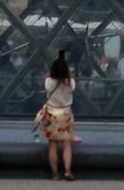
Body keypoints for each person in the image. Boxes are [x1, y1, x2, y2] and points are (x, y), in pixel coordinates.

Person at [39, 53, 75, 184]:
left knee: (52, 145)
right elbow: (72, 83)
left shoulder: (48, 82)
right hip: (65, 113)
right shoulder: (70, 82)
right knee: (66, 144)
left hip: (51, 114)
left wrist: (53, 70)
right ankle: (67, 170)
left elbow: (47, 80)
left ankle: (55, 173)